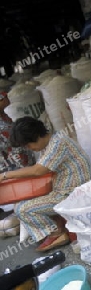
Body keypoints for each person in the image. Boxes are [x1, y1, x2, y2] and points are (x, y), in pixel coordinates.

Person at [1, 116, 91, 251]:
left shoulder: (58, 143)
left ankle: (56, 234)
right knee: (23, 203)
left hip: (72, 193)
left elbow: (38, 170)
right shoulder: (51, 143)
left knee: (22, 209)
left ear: (36, 135)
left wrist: (5, 175)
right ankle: (56, 225)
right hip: (64, 190)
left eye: (28, 145)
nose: (30, 148)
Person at [0, 92, 35, 237]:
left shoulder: (4, 117)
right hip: (11, 160)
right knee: (19, 186)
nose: (6, 99)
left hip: (16, 157)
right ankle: (22, 213)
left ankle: (21, 214)